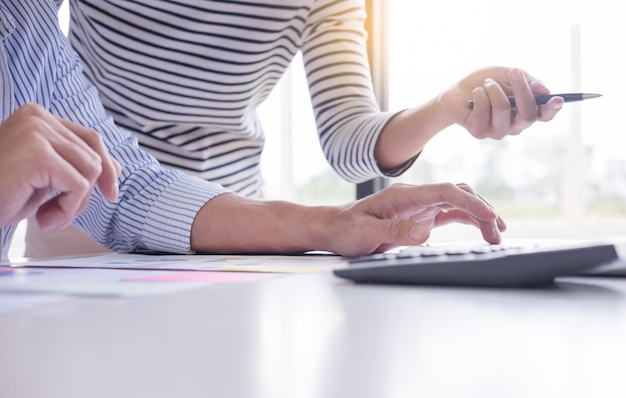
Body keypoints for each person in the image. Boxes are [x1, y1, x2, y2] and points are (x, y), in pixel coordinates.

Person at [24, 0, 563, 257]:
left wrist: (447, 108)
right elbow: (30, 57)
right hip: (86, 204)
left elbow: (348, 139)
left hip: (240, 224)